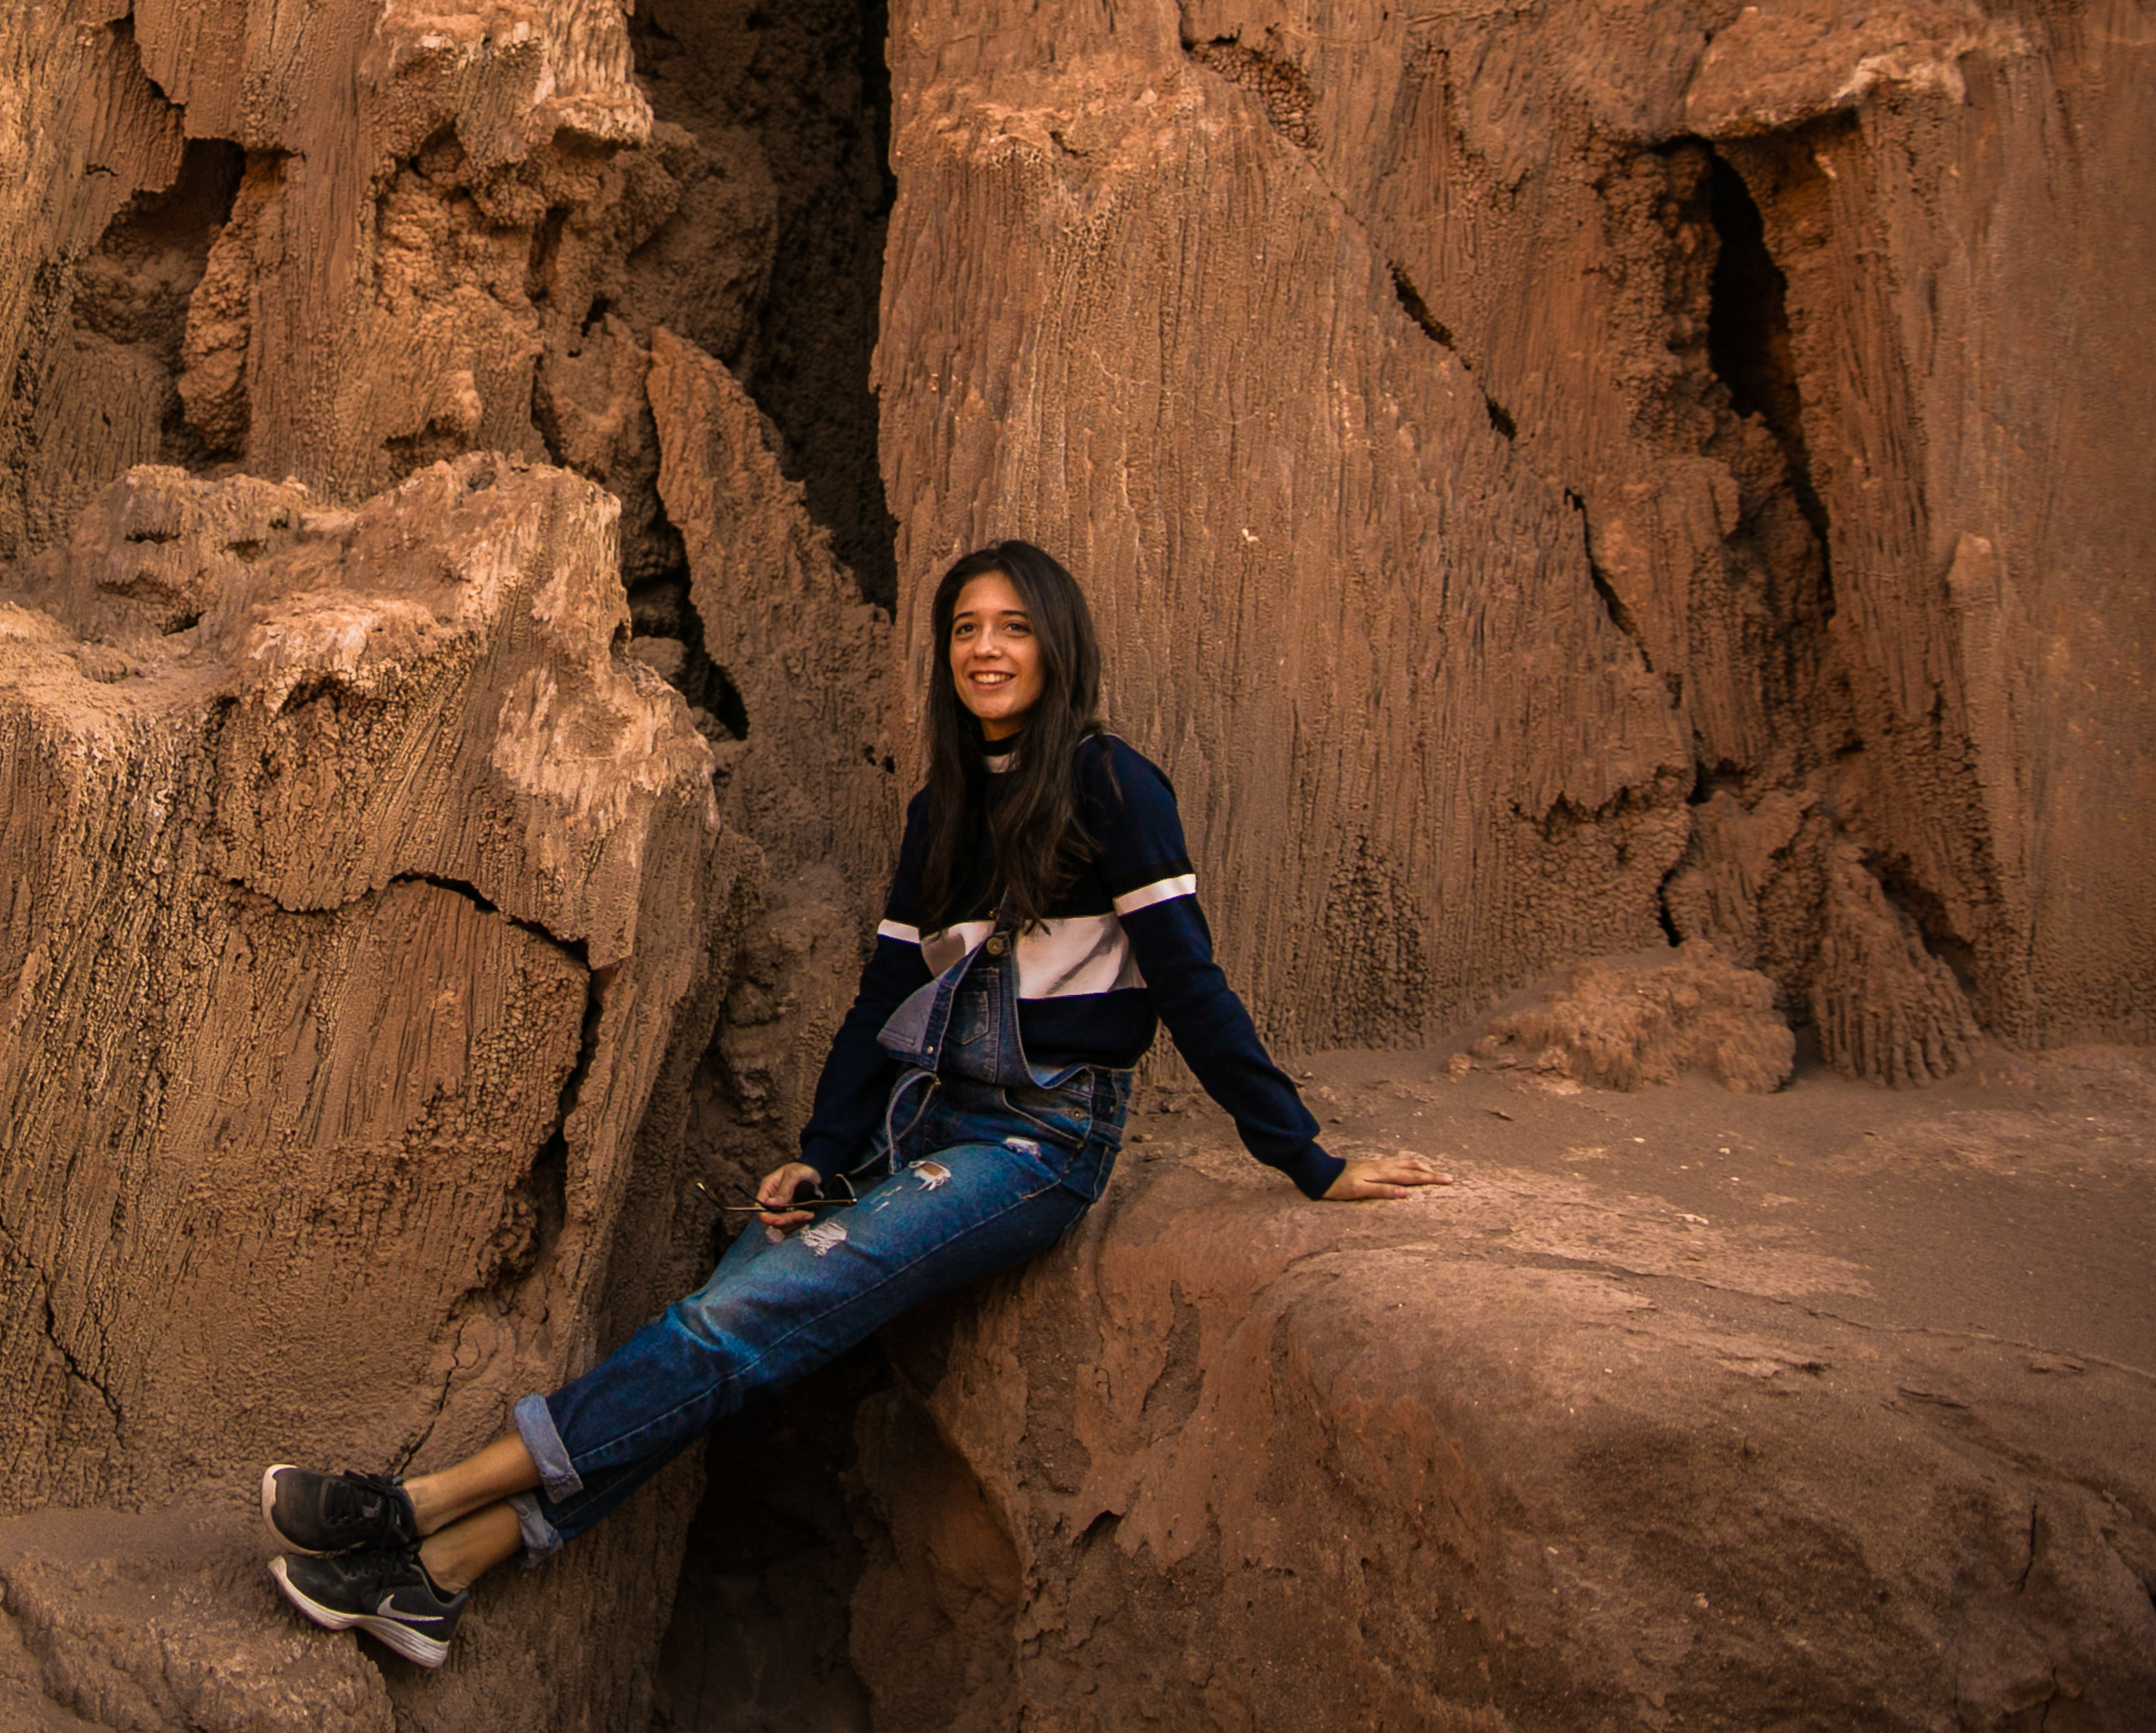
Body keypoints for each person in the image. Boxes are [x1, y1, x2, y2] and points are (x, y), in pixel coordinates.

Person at [257, 538, 1453, 1667]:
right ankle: (444, 1576)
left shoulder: (1113, 785)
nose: (986, 649)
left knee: (743, 1320)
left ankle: (414, 1504)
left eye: (1015, 628)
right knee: (736, 1307)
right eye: (966, 629)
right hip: (914, 1127)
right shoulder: (941, 813)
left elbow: (1191, 984)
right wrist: (825, 1156)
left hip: (1037, 1143)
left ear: (1058, 648)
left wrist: (1305, 1158)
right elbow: (886, 992)